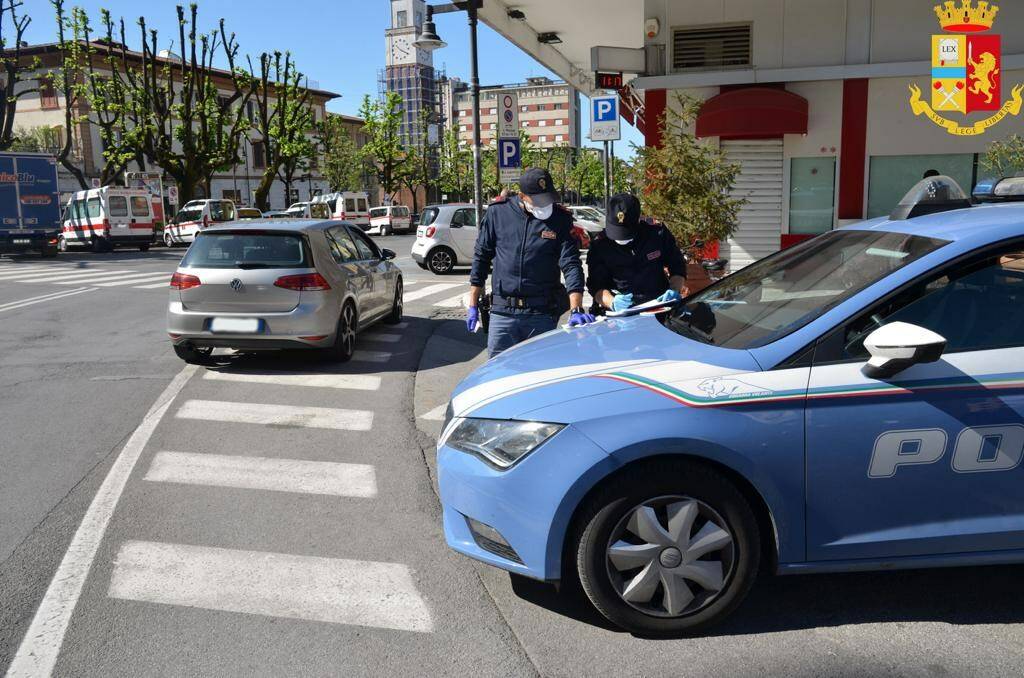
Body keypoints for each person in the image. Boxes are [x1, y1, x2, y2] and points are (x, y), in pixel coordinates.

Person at [468, 168, 595, 358]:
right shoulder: (498, 213)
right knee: (499, 377)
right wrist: (472, 304)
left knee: (539, 376)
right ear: (522, 196)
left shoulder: (560, 219)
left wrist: (576, 308)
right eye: (539, 200)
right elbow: (481, 257)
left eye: (548, 198)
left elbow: (571, 264)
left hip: (541, 314)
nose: (545, 205)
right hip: (503, 313)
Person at [586, 193, 688, 312]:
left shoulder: (657, 234)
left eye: (626, 232)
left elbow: (677, 266)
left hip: (659, 304)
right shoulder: (600, 245)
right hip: (620, 311)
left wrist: (674, 290)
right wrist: (612, 302)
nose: (621, 238)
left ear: (638, 220)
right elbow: (596, 284)